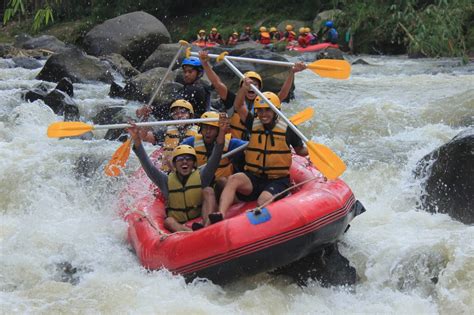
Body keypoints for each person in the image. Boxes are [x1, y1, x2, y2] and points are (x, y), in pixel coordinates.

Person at [216, 89, 308, 219]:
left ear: (276, 111)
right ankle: (220, 214)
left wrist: (312, 150)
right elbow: (238, 106)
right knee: (234, 179)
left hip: (277, 180)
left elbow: (300, 151)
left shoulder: (288, 129)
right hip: (254, 177)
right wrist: (244, 88)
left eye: (267, 110)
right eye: (260, 110)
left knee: (262, 200)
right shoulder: (253, 123)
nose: (263, 114)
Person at [129, 112, 229, 232]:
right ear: (175, 164)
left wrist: (222, 131)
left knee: (208, 191)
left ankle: (206, 226)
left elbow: (217, 153)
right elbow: (147, 165)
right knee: (168, 221)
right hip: (180, 223)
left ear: (194, 164)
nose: (185, 162)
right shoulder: (165, 181)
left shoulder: (203, 176)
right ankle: (190, 233)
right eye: (180, 159)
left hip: (200, 216)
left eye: (189, 159)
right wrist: (136, 139)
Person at [197, 50, 306, 140]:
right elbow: (217, 83)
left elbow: (282, 94)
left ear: (259, 88)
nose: (251, 87)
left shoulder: (265, 103)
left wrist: (292, 72)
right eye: (248, 84)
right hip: (235, 145)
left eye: (255, 85)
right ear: (241, 87)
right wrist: (205, 63)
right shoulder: (232, 100)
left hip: (258, 145)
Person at [136, 57, 211, 120]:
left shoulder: (196, 89)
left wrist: (151, 110)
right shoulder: (188, 88)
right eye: (185, 72)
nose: (186, 75)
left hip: (192, 125)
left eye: (190, 72)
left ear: (199, 73)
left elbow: (172, 106)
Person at [182, 111, 248, 180]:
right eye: (205, 127)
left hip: (221, 183)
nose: (208, 131)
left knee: (222, 181)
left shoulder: (230, 143)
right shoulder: (191, 142)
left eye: (212, 128)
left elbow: (249, 145)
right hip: (201, 181)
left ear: (219, 130)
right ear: (200, 129)